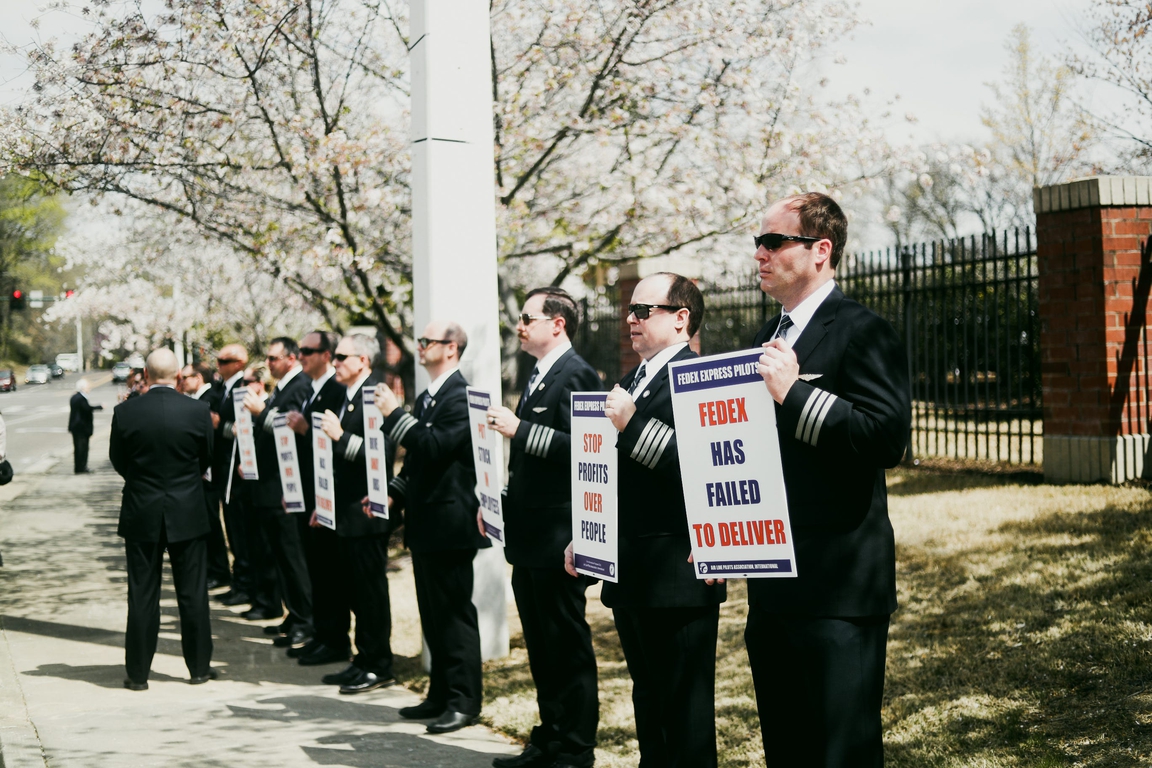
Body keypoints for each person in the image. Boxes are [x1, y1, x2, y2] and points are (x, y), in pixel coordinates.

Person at [747, 193, 911, 767]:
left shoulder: (863, 329)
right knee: (787, 749)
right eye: (758, 242)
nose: (760, 253)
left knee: (840, 753)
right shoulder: (769, 334)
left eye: (774, 241)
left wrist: (796, 394)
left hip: (837, 583)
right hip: (772, 582)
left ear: (821, 250)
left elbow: (887, 439)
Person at [581, 272, 726, 768]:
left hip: (678, 570)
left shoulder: (701, 377)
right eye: (631, 310)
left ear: (681, 318)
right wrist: (584, 532)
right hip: (632, 567)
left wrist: (632, 424)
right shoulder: (630, 381)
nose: (630, 319)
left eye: (644, 311)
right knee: (650, 700)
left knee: (684, 710)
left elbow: (705, 469)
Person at [485, 288, 603, 768]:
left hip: (560, 537)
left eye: (527, 317)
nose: (519, 325)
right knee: (540, 645)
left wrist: (521, 430)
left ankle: (575, 748)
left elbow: (586, 447)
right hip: (529, 535)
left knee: (565, 644)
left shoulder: (577, 374)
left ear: (557, 324)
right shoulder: (539, 372)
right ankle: (551, 736)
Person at [376, 320, 489, 735]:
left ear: (452, 348)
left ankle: (464, 700)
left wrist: (394, 415)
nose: (420, 347)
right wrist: (395, 492)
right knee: (433, 614)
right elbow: (418, 461)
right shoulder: (428, 396)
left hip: (451, 521)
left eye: (429, 341)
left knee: (455, 615)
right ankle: (440, 693)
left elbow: (435, 445)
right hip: (425, 520)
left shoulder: (461, 396)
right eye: (420, 341)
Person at [109, 348, 216, 690]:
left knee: (142, 593)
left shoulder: (125, 412)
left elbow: (119, 460)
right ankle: (198, 669)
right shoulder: (198, 411)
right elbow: (206, 457)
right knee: (193, 593)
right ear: (177, 375)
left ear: (147, 373)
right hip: (188, 508)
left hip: (142, 508)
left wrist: (142, 482)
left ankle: (138, 674)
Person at [314, 333, 397, 693]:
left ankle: (379, 663)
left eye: (342, 357)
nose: (334, 362)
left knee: (370, 594)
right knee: (351, 590)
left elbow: (380, 456)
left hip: (366, 511)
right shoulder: (345, 395)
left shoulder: (376, 395)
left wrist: (339, 437)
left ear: (363, 360)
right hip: (343, 511)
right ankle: (362, 659)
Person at [283, 330, 350, 667]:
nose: (302, 354)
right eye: (300, 349)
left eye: (309, 350)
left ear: (326, 354)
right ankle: (322, 635)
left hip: (327, 495)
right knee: (317, 569)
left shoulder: (336, 391)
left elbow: (333, 446)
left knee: (330, 572)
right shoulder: (312, 390)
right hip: (309, 492)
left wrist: (306, 430)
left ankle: (335, 639)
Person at [245, 338, 315, 645]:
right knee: (280, 555)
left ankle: (305, 617)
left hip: (287, 486)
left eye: (274, 358)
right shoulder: (282, 387)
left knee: (292, 555)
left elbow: (288, 429)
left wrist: (261, 412)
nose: (269, 364)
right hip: (272, 485)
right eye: (268, 358)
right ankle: (293, 612)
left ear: (290, 358)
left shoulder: (299, 385)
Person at [180, 362, 231, 590]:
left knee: (212, 523)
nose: (181, 383)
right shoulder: (199, 399)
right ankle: (215, 569)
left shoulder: (210, 397)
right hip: (204, 472)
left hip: (210, 472)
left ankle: (219, 571)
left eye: (185, 377)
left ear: (198, 378)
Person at [212, 344, 254, 609]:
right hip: (223, 470)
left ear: (238, 363)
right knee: (233, 531)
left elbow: (243, 430)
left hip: (237, 473)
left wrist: (221, 426)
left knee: (241, 533)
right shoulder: (223, 389)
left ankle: (246, 585)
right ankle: (239, 583)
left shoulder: (243, 389)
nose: (219, 365)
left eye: (224, 360)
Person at [68, 378, 103, 473]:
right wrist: (99, 407)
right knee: (82, 449)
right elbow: (86, 409)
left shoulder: (74, 397)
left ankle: (78, 467)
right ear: (82, 387)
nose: (89, 388)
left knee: (78, 448)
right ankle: (81, 468)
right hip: (81, 427)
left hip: (75, 427)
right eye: (88, 386)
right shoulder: (81, 398)